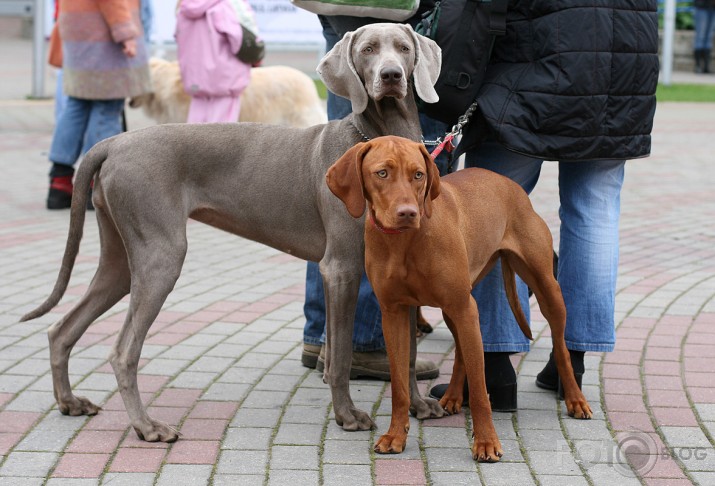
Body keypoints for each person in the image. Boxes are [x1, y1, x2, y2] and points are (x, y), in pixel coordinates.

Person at [428, 0, 659, 410]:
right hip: (623, 69)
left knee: (491, 213)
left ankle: (495, 365)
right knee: (595, 211)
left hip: (529, 66)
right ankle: (571, 362)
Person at [301, 14, 450, 381]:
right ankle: (364, 345)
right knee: (350, 231)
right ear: (353, 63)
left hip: (337, 11)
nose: (391, 66)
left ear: (415, 60)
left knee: (341, 229)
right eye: (370, 51)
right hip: (386, 18)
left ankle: (320, 339)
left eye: (401, 50)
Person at [46, 0, 151, 210]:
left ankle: (60, 181)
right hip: (103, 40)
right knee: (107, 107)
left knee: (76, 105)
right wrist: (126, 34)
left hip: (80, 36)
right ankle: (97, 181)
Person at [175, 0, 253, 123]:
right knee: (221, 133)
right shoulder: (224, 6)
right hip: (224, 78)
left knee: (195, 130)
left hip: (195, 79)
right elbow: (239, 39)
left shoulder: (183, 8)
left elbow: (178, 37)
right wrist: (254, 56)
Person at [694, 0, 715, 73]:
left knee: (709, 37)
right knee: (700, 36)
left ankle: (706, 67)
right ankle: (698, 66)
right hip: (701, 7)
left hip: (712, 7)